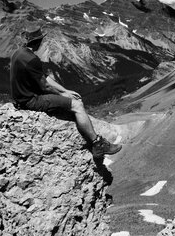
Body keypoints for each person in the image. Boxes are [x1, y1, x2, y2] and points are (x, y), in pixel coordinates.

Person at [10, 27, 122, 159]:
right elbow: (45, 85)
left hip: (20, 98)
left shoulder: (18, 53)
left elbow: (44, 77)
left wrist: (65, 90)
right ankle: (97, 144)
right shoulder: (32, 59)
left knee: (71, 100)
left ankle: (96, 142)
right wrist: (64, 95)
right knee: (77, 105)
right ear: (38, 41)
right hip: (30, 101)